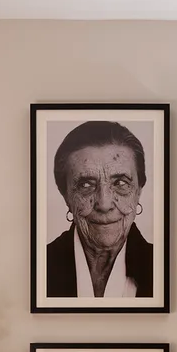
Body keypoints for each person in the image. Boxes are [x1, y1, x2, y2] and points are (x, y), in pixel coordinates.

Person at [45, 121, 154, 299]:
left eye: (120, 183)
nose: (104, 204)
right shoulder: (38, 266)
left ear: (138, 191)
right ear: (65, 195)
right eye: (86, 185)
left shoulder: (163, 266)